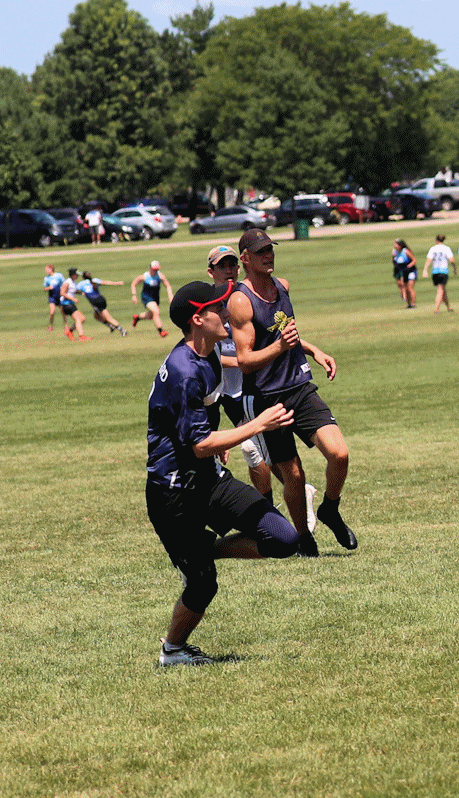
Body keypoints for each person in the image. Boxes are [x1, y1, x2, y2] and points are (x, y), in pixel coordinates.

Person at [146, 279, 300, 666]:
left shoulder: (209, 353)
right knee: (203, 585)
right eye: (218, 307)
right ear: (198, 319)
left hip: (208, 479)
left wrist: (219, 439)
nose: (226, 311)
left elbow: (205, 417)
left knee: (284, 538)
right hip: (174, 494)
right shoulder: (184, 370)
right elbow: (199, 444)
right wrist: (256, 425)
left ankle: (205, 550)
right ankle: (173, 651)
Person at [227, 228, 356, 558]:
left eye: (270, 249)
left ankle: (330, 508)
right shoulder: (240, 301)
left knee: (339, 454)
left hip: (300, 387)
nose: (268, 255)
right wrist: (279, 347)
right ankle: (304, 539)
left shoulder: (282, 286)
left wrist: (314, 350)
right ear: (245, 258)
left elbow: (284, 334)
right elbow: (244, 361)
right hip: (268, 398)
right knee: (293, 475)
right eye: (260, 251)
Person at [206, 244, 317, 534]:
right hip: (229, 394)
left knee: (255, 452)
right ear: (211, 272)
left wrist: (311, 349)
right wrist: (237, 361)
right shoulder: (209, 305)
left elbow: (274, 338)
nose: (229, 270)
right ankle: (288, 502)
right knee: (261, 454)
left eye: (232, 264)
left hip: (255, 389)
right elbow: (207, 352)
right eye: (222, 266)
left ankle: (271, 517)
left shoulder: (248, 296)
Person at [130, 261, 174, 338]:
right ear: (150, 268)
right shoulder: (144, 276)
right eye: (154, 269)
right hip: (146, 297)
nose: (155, 271)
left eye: (157, 269)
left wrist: (170, 296)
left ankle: (137, 318)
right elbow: (134, 283)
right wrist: (134, 295)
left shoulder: (160, 276)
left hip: (155, 298)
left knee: (151, 315)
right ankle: (161, 331)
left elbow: (168, 286)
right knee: (156, 311)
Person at [422, 233, 456, 313]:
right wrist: (455, 268)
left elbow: (429, 260)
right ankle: (436, 308)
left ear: (436, 240)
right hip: (443, 271)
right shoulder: (446, 248)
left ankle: (448, 307)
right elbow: (452, 260)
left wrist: (425, 270)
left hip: (435, 271)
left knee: (443, 290)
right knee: (440, 290)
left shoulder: (433, 249)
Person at [58, 269, 91, 342]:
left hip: (71, 304)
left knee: (82, 319)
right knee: (78, 319)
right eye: (76, 275)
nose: (77, 276)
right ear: (72, 275)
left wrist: (81, 293)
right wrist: (73, 298)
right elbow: (62, 293)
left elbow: (73, 291)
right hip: (66, 304)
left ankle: (69, 331)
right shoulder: (67, 282)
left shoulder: (73, 282)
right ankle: (81, 336)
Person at [392, 239, 418, 309]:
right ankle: (409, 304)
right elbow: (394, 260)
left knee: (410, 288)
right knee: (405, 288)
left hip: (410, 270)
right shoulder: (394, 252)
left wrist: (408, 267)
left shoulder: (406, 251)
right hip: (401, 270)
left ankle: (413, 303)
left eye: (396, 244)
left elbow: (414, 260)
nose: (395, 246)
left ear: (400, 245)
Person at [42, 264, 65, 332]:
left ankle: (66, 326)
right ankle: (50, 326)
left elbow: (65, 283)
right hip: (52, 296)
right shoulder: (46, 278)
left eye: (47, 269)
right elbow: (45, 288)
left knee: (63, 311)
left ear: (51, 269)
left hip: (60, 296)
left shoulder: (59, 275)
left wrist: (62, 288)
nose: (46, 271)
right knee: (52, 312)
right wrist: (49, 288)